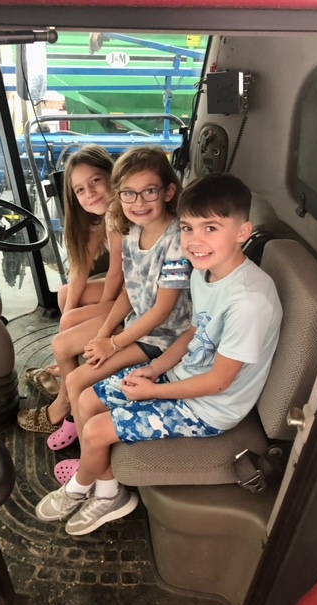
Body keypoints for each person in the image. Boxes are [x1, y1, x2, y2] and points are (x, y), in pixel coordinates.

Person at [34, 172, 283, 535]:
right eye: (187, 228)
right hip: (180, 376)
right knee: (86, 400)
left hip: (210, 408)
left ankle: (80, 488)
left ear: (243, 232)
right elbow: (194, 331)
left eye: (210, 229)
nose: (195, 241)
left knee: (98, 429)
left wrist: (154, 391)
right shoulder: (206, 272)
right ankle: (108, 492)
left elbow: (218, 381)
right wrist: (157, 369)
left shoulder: (249, 302)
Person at [19, 146, 192, 484]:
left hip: (163, 339)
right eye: (130, 194)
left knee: (79, 380)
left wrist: (112, 343)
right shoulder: (133, 232)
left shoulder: (175, 241)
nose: (138, 202)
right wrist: (105, 333)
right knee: (77, 377)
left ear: (168, 192)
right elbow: (131, 290)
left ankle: (95, 473)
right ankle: (94, 465)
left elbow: (162, 309)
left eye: (149, 192)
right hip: (138, 329)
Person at [24, 145, 123, 391]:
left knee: (70, 321)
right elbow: (79, 270)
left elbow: (116, 273)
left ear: (112, 176)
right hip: (126, 290)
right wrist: (66, 319)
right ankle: (70, 360)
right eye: (80, 190)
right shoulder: (103, 218)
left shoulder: (120, 214)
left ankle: (72, 385)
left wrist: (100, 313)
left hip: (133, 296)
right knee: (66, 293)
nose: (90, 193)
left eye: (96, 181)